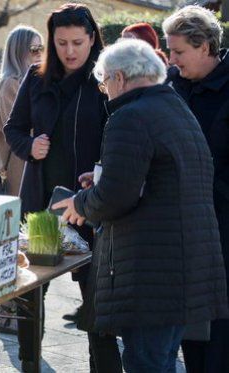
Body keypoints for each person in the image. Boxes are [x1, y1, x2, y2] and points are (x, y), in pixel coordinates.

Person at [54, 38, 229, 372]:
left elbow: (117, 196)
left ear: (119, 78)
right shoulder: (175, 107)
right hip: (183, 270)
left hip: (153, 274)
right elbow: (156, 176)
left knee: (145, 362)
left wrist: (81, 203)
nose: (105, 92)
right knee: (160, 361)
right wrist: (105, 176)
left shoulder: (129, 117)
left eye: (104, 83)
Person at [3, 4, 120, 372]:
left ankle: (103, 366)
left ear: (92, 40)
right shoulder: (36, 79)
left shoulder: (108, 79)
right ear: (52, 41)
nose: (70, 51)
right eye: (62, 42)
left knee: (96, 296)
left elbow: (122, 133)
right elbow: (13, 128)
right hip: (42, 207)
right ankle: (28, 361)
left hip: (92, 204)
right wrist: (29, 145)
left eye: (78, 42)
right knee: (32, 291)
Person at [162, 5, 229, 372]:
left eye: (178, 52)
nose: (171, 60)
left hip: (222, 227)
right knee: (190, 328)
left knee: (220, 332)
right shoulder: (173, 85)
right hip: (182, 231)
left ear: (205, 47)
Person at [0, 25, 44, 335]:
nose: (39, 55)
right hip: (17, 178)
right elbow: (25, 129)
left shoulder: (23, 83)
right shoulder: (13, 84)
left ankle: (11, 313)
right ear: (18, 51)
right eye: (33, 50)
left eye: (41, 49)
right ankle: (8, 313)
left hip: (24, 175)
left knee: (16, 245)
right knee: (13, 246)